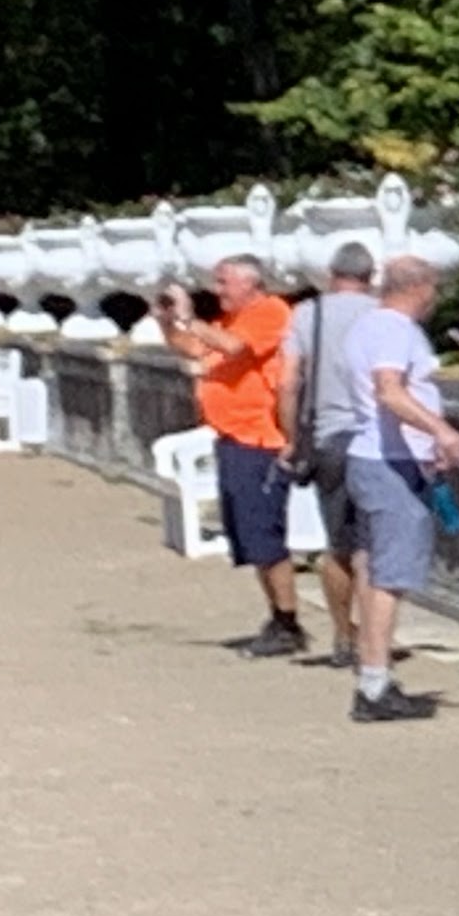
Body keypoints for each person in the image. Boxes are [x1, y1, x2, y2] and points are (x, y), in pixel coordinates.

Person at [337, 255, 459, 724]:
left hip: (374, 457)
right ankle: (374, 682)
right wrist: (441, 431)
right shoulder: (395, 330)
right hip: (390, 463)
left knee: (375, 567)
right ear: (421, 288)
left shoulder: (366, 327)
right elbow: (389, 390)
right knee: (391, 575)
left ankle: (373, 674)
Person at [161, 252, 305, 656]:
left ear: (250, 283)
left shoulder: (270, 312)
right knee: (248, 537)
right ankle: (278, 615)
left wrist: (190, 318)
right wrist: (168, 321)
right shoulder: (230, 320)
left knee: (265, 536)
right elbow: (194, 348)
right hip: (233, 438)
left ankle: (288, 621)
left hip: (260, 440)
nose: (217, 289)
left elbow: (235, 348)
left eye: (224, 282)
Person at [282, 240, 379, 666]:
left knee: (338, 545)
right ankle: (375, 639)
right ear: (370, 276)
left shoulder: (308, 314)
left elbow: (288, 382)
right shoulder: (383, 314)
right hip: (377, 440)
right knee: (374, 546)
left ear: (331, 274)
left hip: (330, 440)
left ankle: (343, 633)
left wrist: (291, 438)